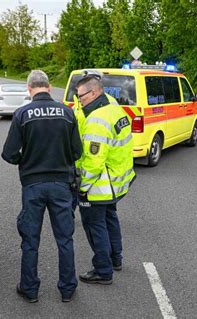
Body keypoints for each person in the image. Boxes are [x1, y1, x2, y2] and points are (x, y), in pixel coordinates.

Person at [2, 70, 82, 303]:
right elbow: (77, 151)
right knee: (65, 239)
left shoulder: (22, 114)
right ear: (48, 87)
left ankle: (30, 289)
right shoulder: (67, 113)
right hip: (61, 185)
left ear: (29, 89)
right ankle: (67, 289)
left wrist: (25, 161)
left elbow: (8, 153)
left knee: (30, 240)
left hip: (33, 185)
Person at [74, 70, 136, 285]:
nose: (78, 101)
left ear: (92, 93)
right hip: (116, 182)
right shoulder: (112, 108)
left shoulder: (97, 121)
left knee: (94, 225)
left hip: (99, 185)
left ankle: (103, 270)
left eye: (80, 96)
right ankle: (115, 259)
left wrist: (82, 186)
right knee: (110, 219)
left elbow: (93, 161)